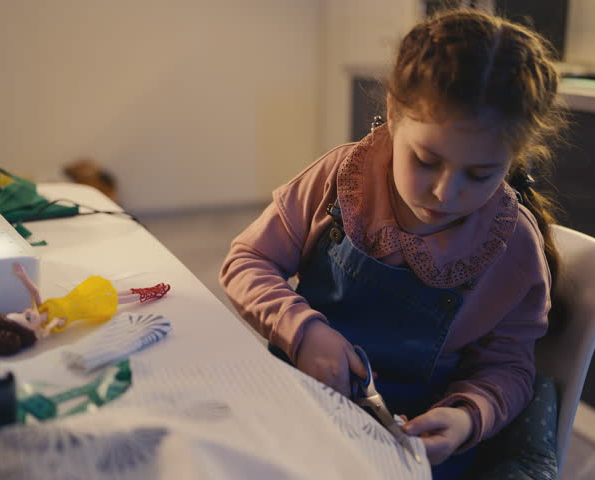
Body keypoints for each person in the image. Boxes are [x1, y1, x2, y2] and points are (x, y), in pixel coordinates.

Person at [220, 8, 565, 478]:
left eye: (481, 174)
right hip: (297, 413)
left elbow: (509, 368)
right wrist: (303, 331)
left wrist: (467, 418)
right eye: (426, 160)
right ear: (395, 113)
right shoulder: (341, 178)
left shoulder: (513, 246)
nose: (446, 192)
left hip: (409, 451)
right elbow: (248, 260)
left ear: (514, 156)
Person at [0, 262, 171, 355]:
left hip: (81, 295)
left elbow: (35, 291)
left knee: (119, 293)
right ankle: (152, 293)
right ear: (33, 331)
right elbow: (55, 324)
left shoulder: (42, 308)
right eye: (28, 319)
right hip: (89, 306)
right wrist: (45, 330)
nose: (27, 312)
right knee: (121, 299)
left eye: (23, 313)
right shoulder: (54, 326)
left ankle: (150, 291)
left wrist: (23, 276)